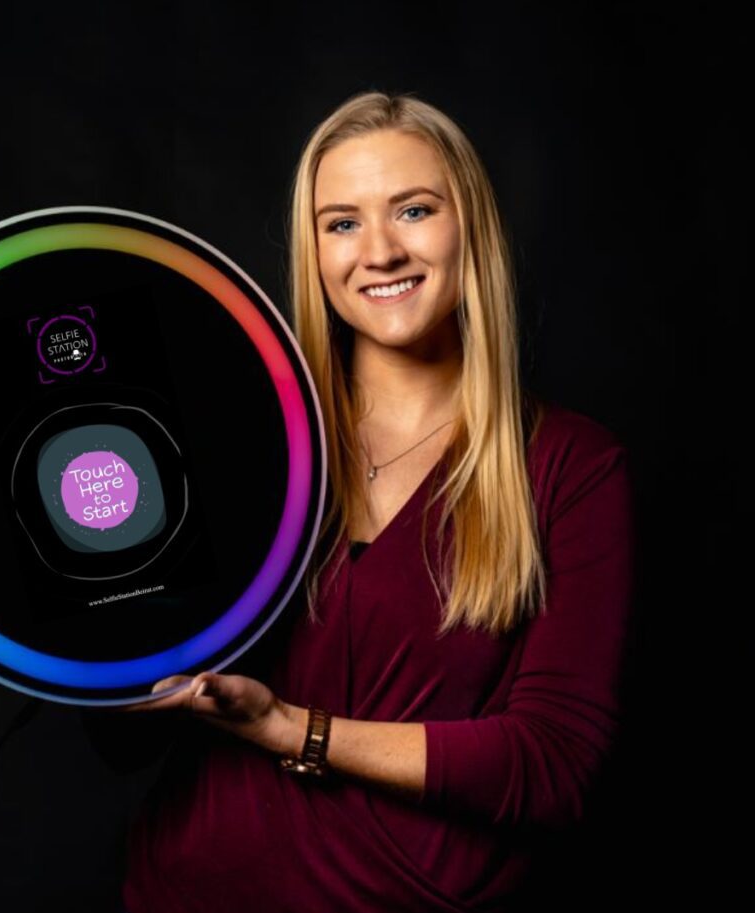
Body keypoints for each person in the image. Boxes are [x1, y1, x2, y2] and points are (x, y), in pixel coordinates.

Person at [81, 90, 637, 912]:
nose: (377, 251)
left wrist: (292, 729)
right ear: (314, 252)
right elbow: (120, 737)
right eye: (341, 222)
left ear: (470, 226)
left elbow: (551, 766)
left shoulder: (570, 466)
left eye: (412, 210)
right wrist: (92, 598)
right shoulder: (238, 438)